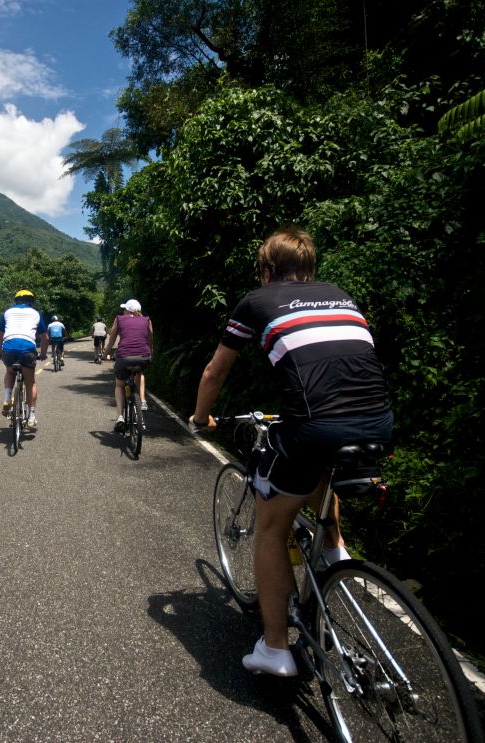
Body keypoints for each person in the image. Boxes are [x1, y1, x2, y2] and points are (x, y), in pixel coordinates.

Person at [188, 225, 392, 678]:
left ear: (266, 269)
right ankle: (334, 551)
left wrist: (201, 419)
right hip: (379, 420)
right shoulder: (340, 295)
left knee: (270, 526)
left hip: (312, 425)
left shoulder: (256, 301)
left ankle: (275, 647)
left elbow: (214, 372)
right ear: (311, 269)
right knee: (320, 465)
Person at [0, 289, 48, 429]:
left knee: (10, 372)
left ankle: (7, 398)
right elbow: (45, 337)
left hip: (9, 349)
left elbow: (0, 335)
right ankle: (31, 417)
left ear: (16, 301)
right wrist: (43, 353)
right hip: (27, 350)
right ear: (31, 301)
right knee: (30, 383)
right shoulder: (35, 313)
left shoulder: (7, 312)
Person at [102, 299, 153, 432]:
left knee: (119, 385)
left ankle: (120, 416)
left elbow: (111, 340)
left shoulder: (119, 319)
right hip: (143, 357)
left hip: (124, 357)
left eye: (124, 309)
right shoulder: (146, 320)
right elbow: (150, 338)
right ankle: (142, 401)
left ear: (127, 310)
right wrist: (150, 352)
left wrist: (105, 355)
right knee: (140, 372)